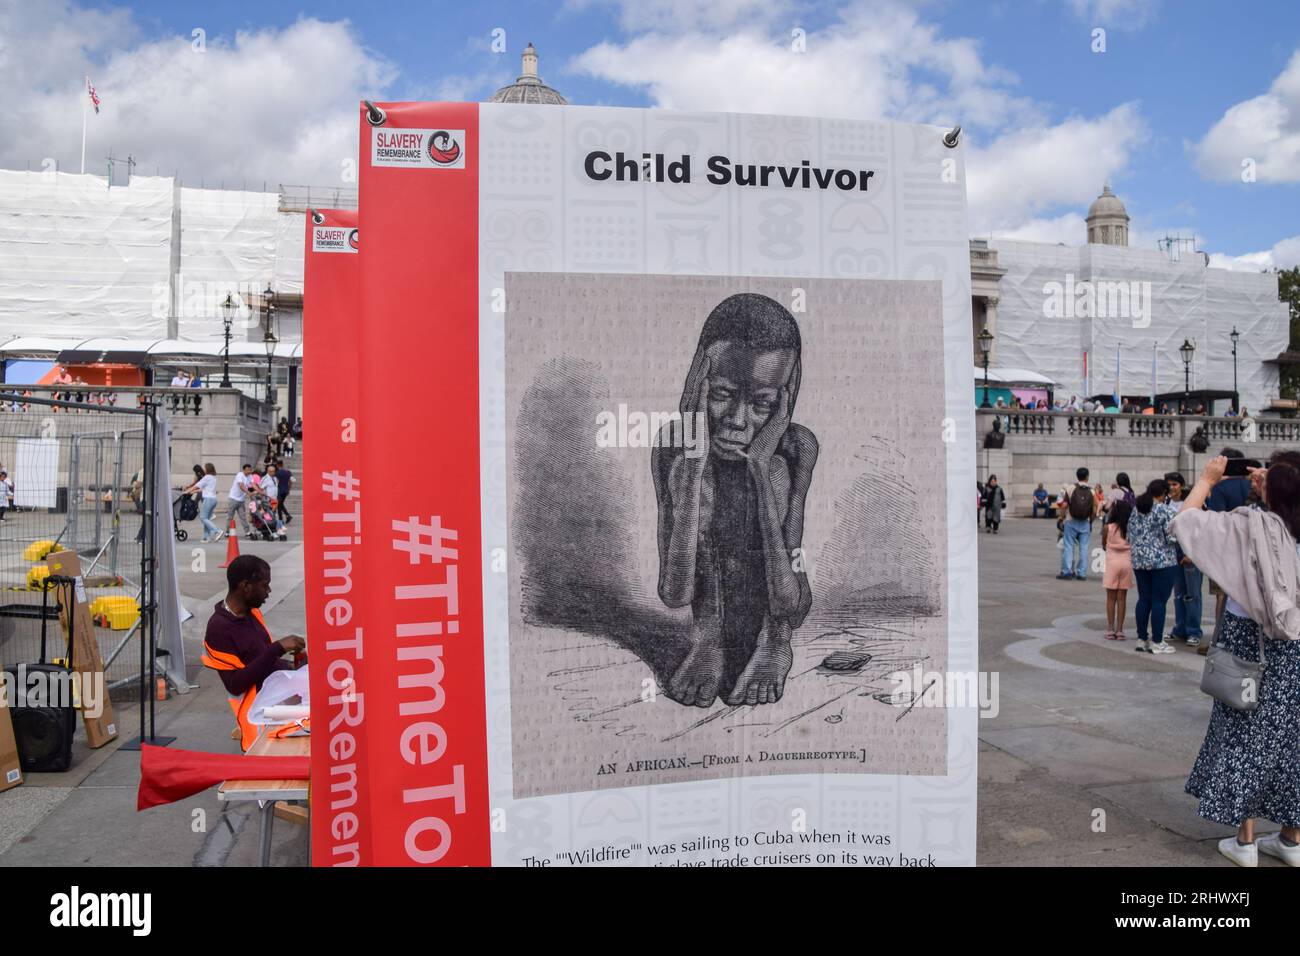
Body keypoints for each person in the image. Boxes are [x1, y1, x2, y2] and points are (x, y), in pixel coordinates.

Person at [652, 292, 817, 709]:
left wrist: (760, 471)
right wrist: (691, 468)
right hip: (710, 595)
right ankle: (708, 638)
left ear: (784, 398)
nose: (739, 420)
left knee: (778, 476)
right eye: (722, 393)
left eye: (763, 402)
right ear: (697, 383)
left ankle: (775, 642)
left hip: (781, 597)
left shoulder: (794, 449)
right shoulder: (674, 446)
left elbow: (789, 597)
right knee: (701, 483)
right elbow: (674, 593)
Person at [1174, 453, 1300, 867]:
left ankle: (1244, 843)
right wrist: (1278, 482)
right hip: (1296, 646)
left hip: (1250, 642)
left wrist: (1208, 480)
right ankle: (1290, 839)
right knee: (1290, 740)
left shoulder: (1251, 526)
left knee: (1242, 731)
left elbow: (1186, 523)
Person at [200, 555, 307, 752]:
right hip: (261, 713)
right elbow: (235, 684)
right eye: (264, 585)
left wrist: (292, 666)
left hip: (278, 696)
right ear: (245, 586)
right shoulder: (218, 629)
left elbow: (261, 660)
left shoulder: (251, 612)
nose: (268, 592)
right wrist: (278, 648)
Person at [1128, 478, 1180, 654]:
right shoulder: (1164, 510)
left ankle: (1142, 638)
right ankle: (1157, 641)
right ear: (1163, 494)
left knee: (1144, 599)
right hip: (1162, 561)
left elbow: (1129, 535)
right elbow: (1172, 537)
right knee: (1159, 601)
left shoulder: (1136, 509)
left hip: (1139, 561)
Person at [1165, 471, 1203, 648]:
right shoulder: (1166, 502)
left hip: (1190, 549)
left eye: (1175, 484)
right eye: (1169, 484)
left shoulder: (1192, 502)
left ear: (1181, 485)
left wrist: (1192, 553)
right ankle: (1179, 628)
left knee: (1192, 593)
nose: (1172, 488)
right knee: (1178, 592)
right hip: (1174, 549)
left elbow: (1200, 528)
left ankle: (1194, 630)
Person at [1102, 499, 1135, 640]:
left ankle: (1110, 629)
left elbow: (1104, 545)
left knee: (1111, 598)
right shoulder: (1130, 529)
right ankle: (1120, 630)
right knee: (1122, 599)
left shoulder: (1108, 527)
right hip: (1127, 563)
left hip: (1112, 563)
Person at [1057, 467, 1096, 580]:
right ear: (1087, 477)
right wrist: (1091, 521)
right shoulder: (1092, 491)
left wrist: (1061, 517)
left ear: (1077, 476)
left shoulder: (1071, 488)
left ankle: (1067, 571)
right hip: (1085, 522)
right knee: (1084, 548)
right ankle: (1082, 573)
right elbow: (1095, 508)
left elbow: (1064, 505)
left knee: (1069, 546)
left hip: (1071, 521)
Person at [183, 463, 222, 543]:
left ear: (208, 469)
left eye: (205, 468)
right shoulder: (213, 478)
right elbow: (203, 489)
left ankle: (217, 531)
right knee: (206, 518)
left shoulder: (206, 477)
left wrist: (187, 491)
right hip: (213, 499)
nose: (203, 469)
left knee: (203, 518)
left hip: (208, 499)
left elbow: (196, 485)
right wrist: (192, 491)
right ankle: (206, 538)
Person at [227, 463, 253, 536]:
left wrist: (260, 491)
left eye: (250, 470)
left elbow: (253, 484)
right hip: (233, 499)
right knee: (230, 517)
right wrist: (248, 493)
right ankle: (227, 532)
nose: (249, 471)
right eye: (247, 470)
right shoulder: (240, 475)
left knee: (243, 517)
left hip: (241, 500)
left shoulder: (250, 476)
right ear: (243, 470)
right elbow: (241, 485)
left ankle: (247, 532)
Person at [273, 458, 292, 525]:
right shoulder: (288, 472)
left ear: (278, 465)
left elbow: (276, 482)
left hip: (280, 491)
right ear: (282, 464)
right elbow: (290, 482)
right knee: (280, 504)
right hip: (286, 490)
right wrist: (289, 489)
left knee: (279, 505)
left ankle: (281, 519)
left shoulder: (277, 473)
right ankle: (287, 516)